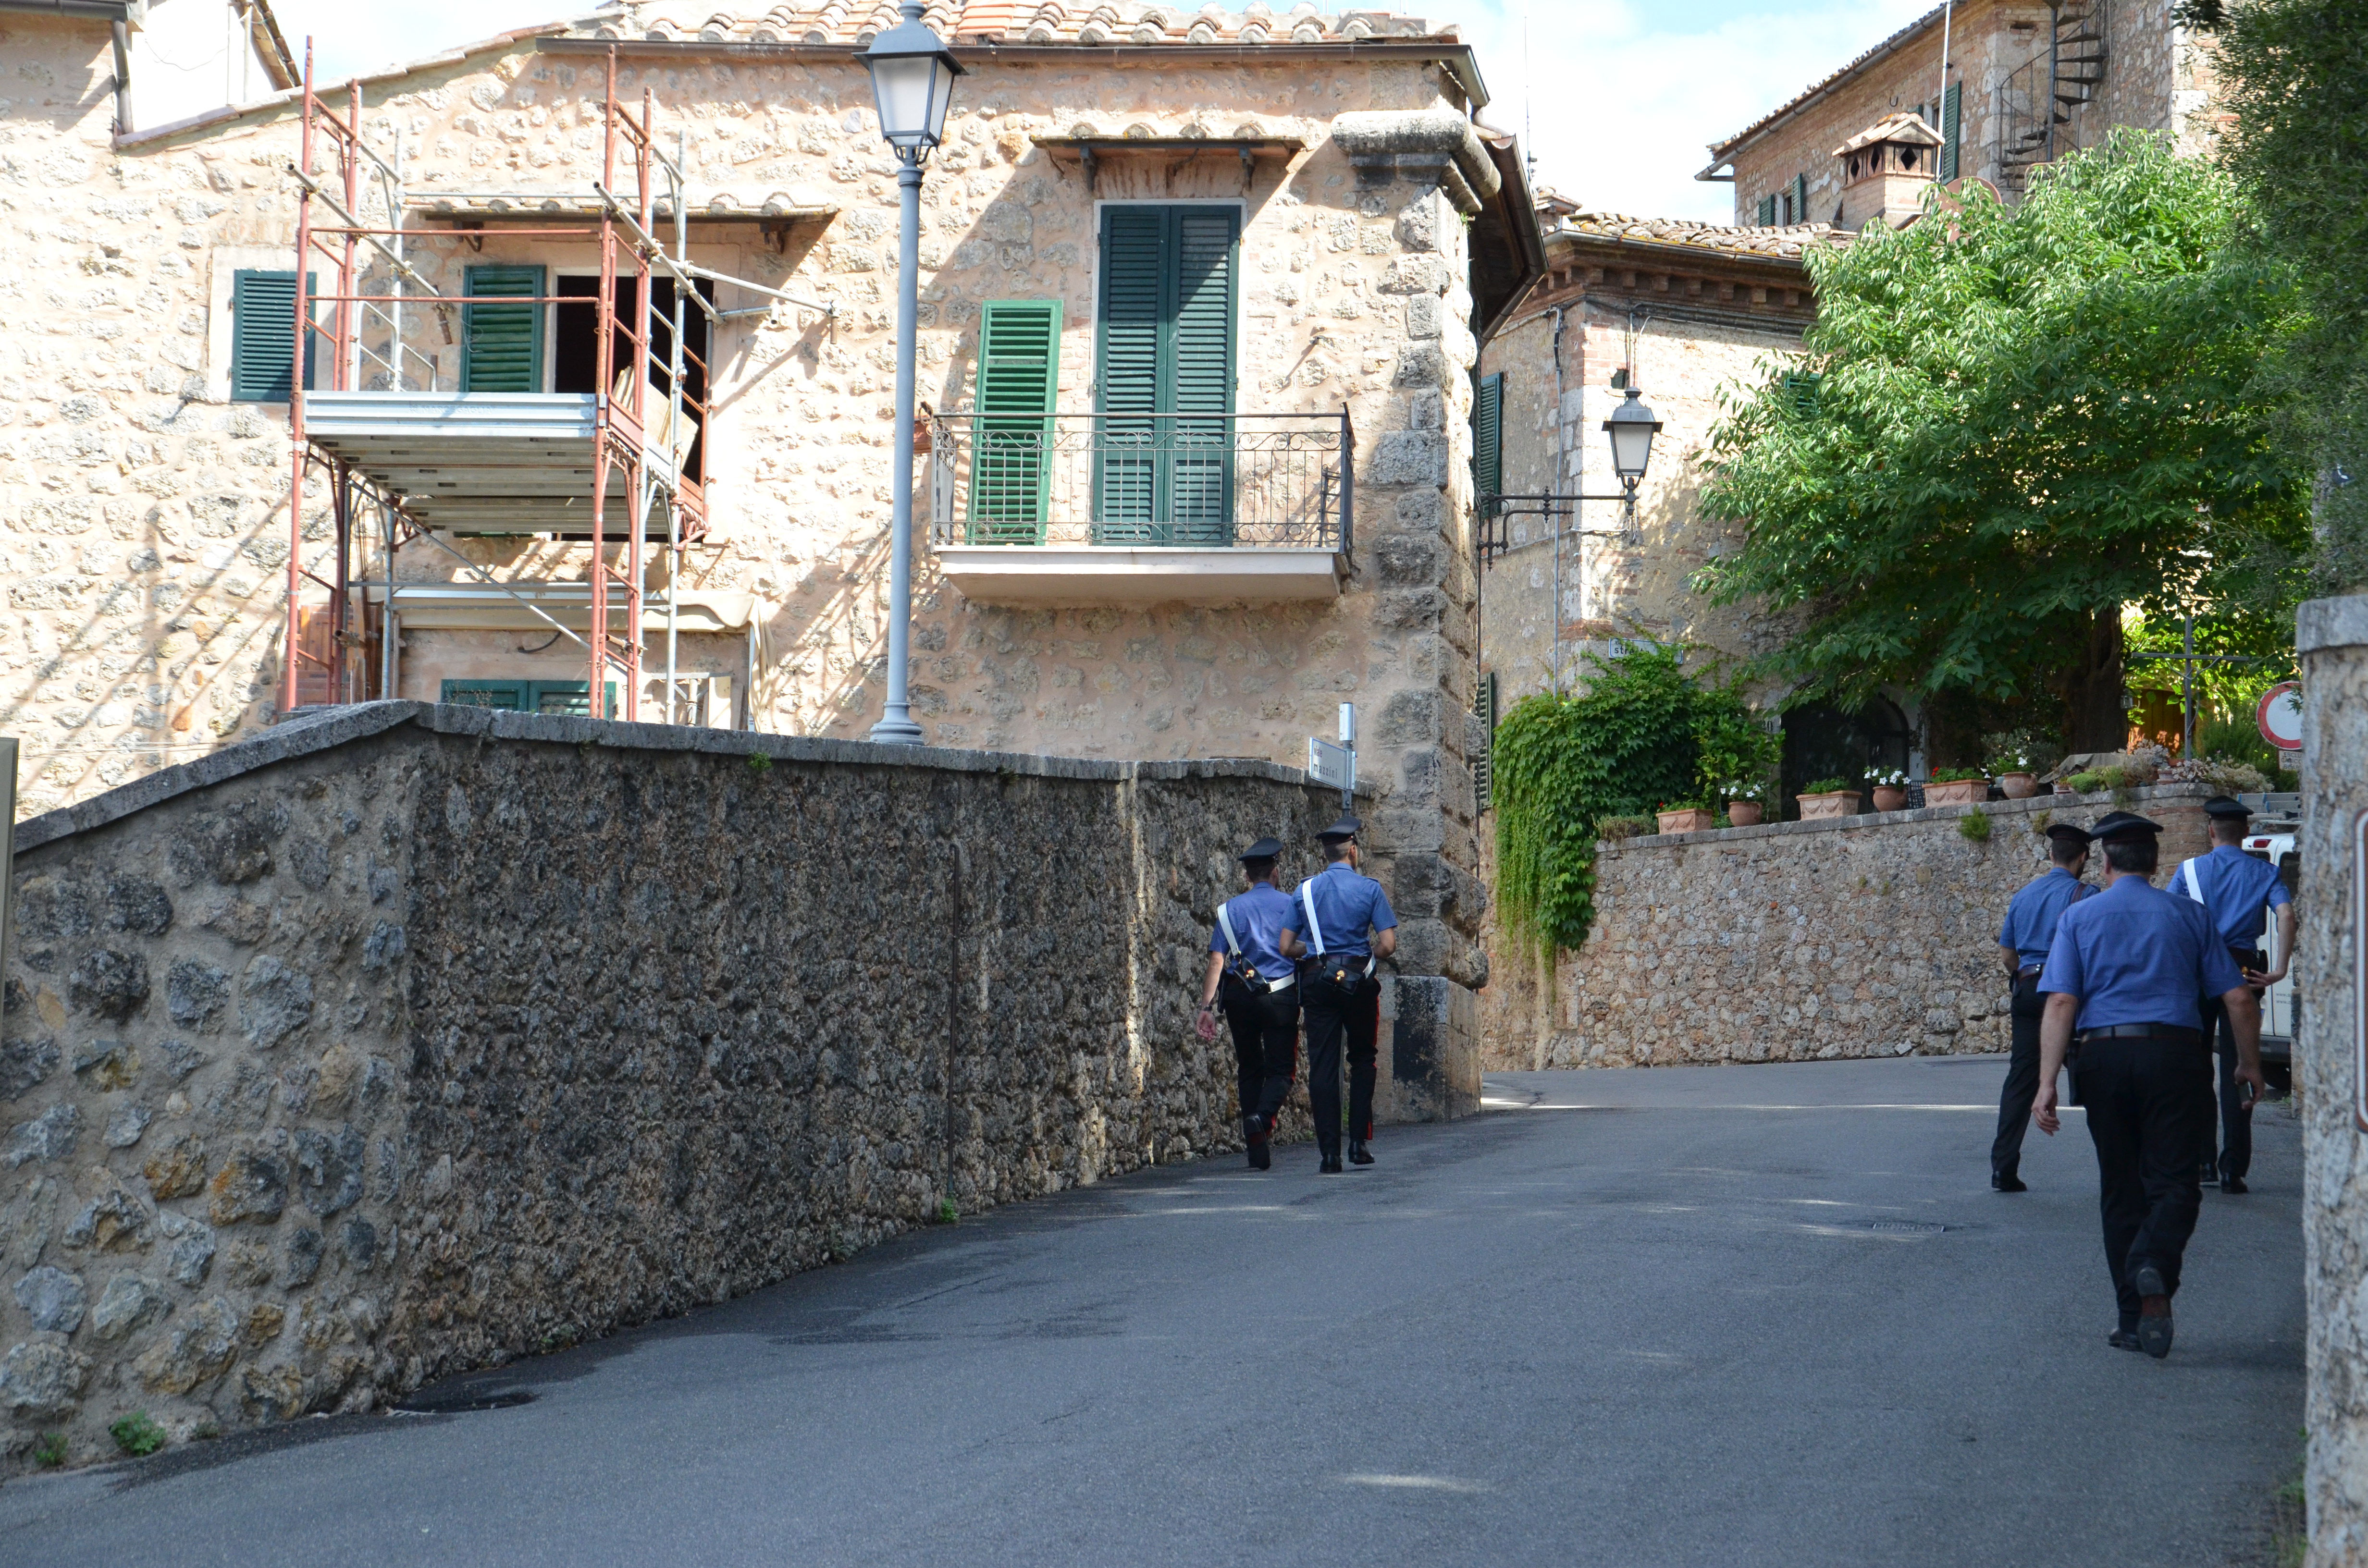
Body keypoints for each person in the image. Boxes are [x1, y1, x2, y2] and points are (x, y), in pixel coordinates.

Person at [2032, 811, 2264, 1360]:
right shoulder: (2190, 916)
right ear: (2155, 863)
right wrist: (2247, 1066)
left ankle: (2131, 1321)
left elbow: (2061, 1001)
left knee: (2119, 1187)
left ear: (2105, 863)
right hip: (2174, 1057)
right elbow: (2235, 999)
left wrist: (2045, 1083)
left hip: (2103, 1058)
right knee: (2175, 1182)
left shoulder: (2078, 918)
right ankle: (2154, 1264)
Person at [2172, 796, 2295, 1195]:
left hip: (2196, 974)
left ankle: (2204, 1161)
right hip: (2243, 972)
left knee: (2195, 1069)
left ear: (2210, 831)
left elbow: (2172, 920)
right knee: (2240, 1068)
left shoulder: (2189, 870)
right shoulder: (2264, 872)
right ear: (2245, 833)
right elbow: (2287, 915)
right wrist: (2278, 969)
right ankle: (2233, 1170)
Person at [1278, 815, 1397, 1175]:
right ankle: (1358, 1144)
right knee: (1363, 1059)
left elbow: (1285, 946)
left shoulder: (1306, 891)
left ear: (1326, 855)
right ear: (1354, 852)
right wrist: (1364, 958)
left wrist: (1313, 951)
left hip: (1318, 982)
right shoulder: (1371, 890)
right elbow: (1388, 944)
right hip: (1359, 983)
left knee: (1323, 1065)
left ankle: (1328, 1154)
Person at [1990, 822, 2097, 1192]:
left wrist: (2024, 975)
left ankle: (2003, 1168)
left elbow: (2007, 955)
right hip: (2066, 994)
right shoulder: (2088, 895)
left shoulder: (2023, 895)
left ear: (2051, 855)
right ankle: (2119, 1163)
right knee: (2092, 1075)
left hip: (2027, 988)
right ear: (2083, 857)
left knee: (2021, 1078)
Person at [1197, 837, 1301, 1171]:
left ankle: (1256, 1149)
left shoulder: (1229, 910)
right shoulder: (1292, 904)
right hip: (1281, 994)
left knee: (1250, 1068)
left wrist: (1207, 1008)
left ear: (1247, 877)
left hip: (1240, 996)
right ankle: (1262, 1119)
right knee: (1282, 1070)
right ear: (1275, 872)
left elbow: (1217, 961)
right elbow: (1304, 949)